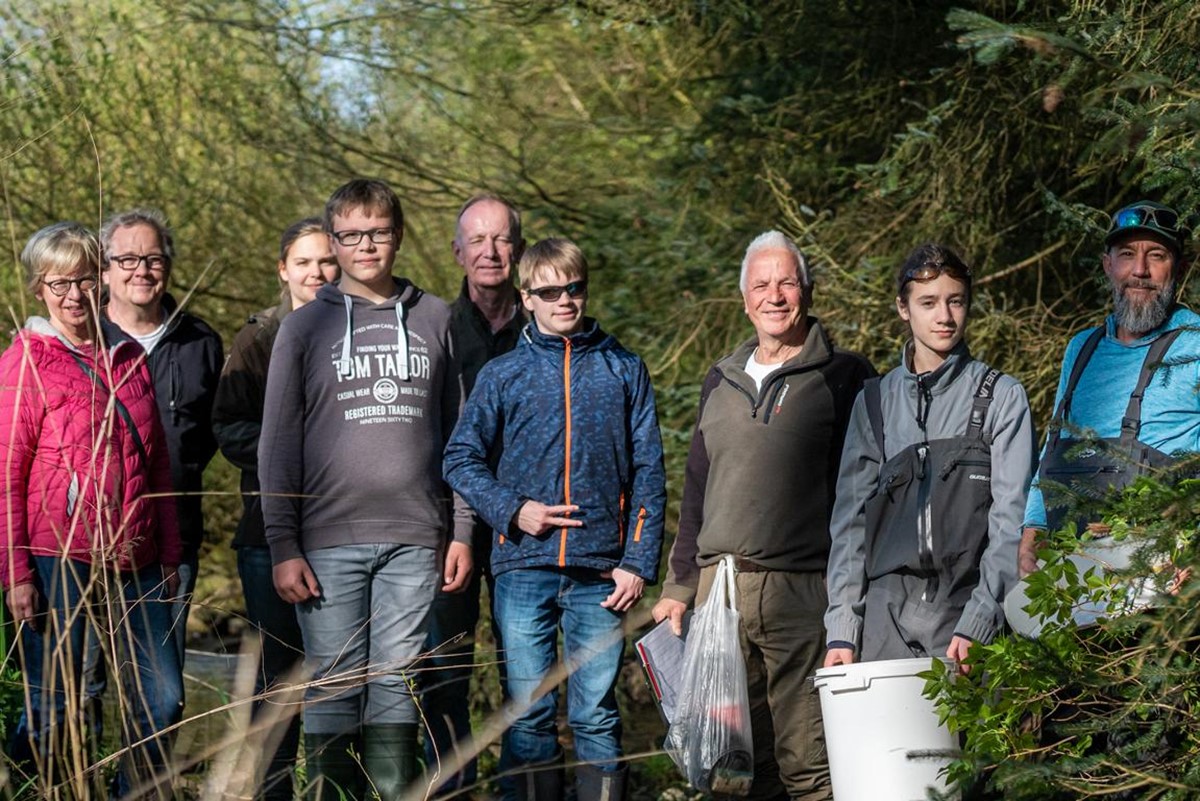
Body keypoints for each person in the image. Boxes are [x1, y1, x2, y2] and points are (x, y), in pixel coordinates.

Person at [258, 179, 473, 800]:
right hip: (325, 541)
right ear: (335, 241)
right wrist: (282, 544)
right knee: (334, 682)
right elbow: (276, 444)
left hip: (415, 537)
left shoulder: (436, 318)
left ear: (397, 236)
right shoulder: (304, 330)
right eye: (350, 235)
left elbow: (457, 435)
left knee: (396, 678)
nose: (365, 245)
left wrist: (461, 530)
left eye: (377, 232)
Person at [651, 230, 873, 800]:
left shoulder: (845, 377)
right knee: (734, 765)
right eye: (761, 285)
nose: (775, 296)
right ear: (744, 299)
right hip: (718, 594)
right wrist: (679, 585)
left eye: (787, 282)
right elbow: (697, 488)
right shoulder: (720, 379)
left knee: (808, 762)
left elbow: (865, 494)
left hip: (802, 591)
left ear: (808, 291)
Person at [444, 237, 666, 801]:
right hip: (522, 569)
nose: (565, 300)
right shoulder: (502, 375)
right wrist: (515, 510)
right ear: (527, 298)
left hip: (602, 575)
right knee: (530, 715)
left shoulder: (624, 368)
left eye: (574, 288)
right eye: (550, 291)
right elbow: (459, 458)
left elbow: (649, 471)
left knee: (595, 716)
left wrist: (637, 561)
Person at [1, 222, 183, 798]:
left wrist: (171, 553)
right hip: (57, 558)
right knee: (57, 701)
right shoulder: (23, 362)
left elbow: (156, 468)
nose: (74, 295)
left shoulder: (129, 356)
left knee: (163, 697)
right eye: (60, 284)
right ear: (38, 288)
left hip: (137, 555)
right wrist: (16, 574)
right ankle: (35, 789)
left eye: (84, 280)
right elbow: (5, 480)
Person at [823, 244, 1036, 671]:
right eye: (928, 303)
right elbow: (850, 526)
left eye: (955, 301)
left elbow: (1010, 518)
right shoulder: (874, 403)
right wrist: (844, 628)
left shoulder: (1001, 396)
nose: (944, 316)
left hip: (967, 618)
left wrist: (981, 618)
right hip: (884, 627)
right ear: (903, 308)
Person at [211, 218, 339, 800]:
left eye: (326, 262)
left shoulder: (360, 330)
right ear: (283, 269)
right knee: (277, 679)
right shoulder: (257, 338)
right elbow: (227, 427)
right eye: (304, 262)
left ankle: (337, 787)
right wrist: (287, 444)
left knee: (340, 676)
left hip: (344, 533)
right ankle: (274, 791)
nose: (317, 273)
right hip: (267, 535)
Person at [1019, 199, 1200, 576]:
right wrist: (1033, 530)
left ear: (1179, 269)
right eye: (1126, 254)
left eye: (1157, 255)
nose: (1140, 270)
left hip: (1163, 584)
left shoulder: (1195, 344)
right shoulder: (1081, 349)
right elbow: (1052, 451)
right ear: (1108, 266)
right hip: (1071, 580)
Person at [422, 193, 527, 796]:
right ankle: (451, 787)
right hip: (447, 523)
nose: (490, 252)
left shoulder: (544, 319)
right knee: (444, 669)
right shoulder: (434, 327)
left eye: (502, 239)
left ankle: (524, 784)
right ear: (457, 252)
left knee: (526, 669)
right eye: (478, 241)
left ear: (518, 247)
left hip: (527, 523)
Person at [99, 207, 223, 664]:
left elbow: (209, 431)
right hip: (90, 539)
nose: (142, 270)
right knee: (82, 684)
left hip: (175, 536)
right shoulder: (84, 338)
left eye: (153, 259)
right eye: (128, 259)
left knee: (160, 689)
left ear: (167, 268)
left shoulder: (200, 341)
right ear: (105, 269)